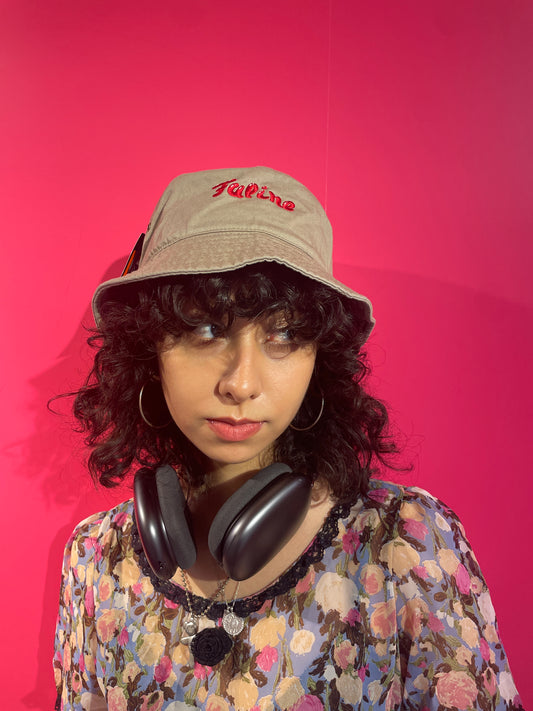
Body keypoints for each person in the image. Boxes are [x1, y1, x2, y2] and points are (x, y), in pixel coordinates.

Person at [53, 167, 522, 710]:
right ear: (149, 349)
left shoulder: (408, 545)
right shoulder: (94, 560)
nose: (241, 383)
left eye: (285, 334)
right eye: (205, 329)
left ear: (320, 357)